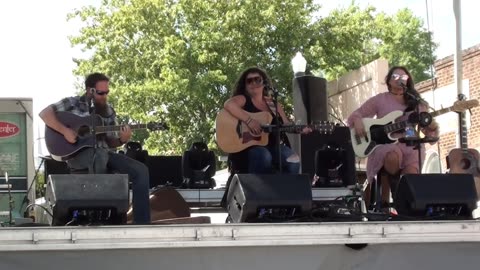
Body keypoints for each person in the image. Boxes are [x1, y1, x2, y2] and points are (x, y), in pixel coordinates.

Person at [39, 72, 151, 224]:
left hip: (104, 154)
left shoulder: (109, 111)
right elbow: (45, 114)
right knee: (99, 156)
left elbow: (110, 142)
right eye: (101, 92)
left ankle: (142, 223)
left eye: (107, 92)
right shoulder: (72, 103)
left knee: (140, 170)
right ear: (89, 90)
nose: (104, 96)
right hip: (78, 156)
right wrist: (65, 131)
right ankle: (96, 216)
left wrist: (121, 139)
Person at [347, 66, 439, 210]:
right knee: (391, 154)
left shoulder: (418, 104)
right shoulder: (380, 99)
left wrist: (432, 127)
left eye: (403, 78)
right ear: (388, 81)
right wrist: (358, 122)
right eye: (395, 77)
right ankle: (389, 197)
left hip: (411, 145)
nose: (399, 80)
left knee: (411, 175)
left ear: (408, 81)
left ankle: (405, 207)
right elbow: (356, 115)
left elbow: (430, 135)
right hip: (384, 144)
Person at [223, 67, 311, 174]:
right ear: (245, 86)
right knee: (263, 155)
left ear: (264, 82)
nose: (253, 82)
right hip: (247, 149)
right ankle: (258, 188)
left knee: (293, 159)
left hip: (272, 147)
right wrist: (249, 121)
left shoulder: (273, 105)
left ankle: (284, 189)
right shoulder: (243, 99)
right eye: (249, 80)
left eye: (257, 79)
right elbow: (229, 104)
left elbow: (285, 123)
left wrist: (298, 129)